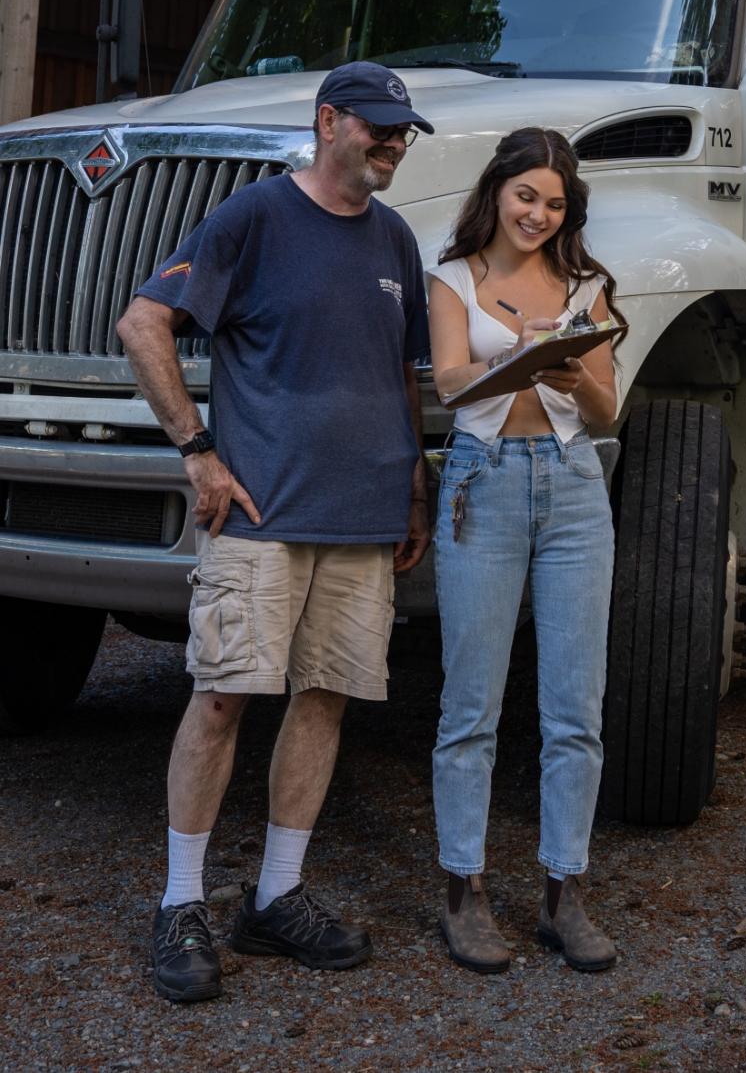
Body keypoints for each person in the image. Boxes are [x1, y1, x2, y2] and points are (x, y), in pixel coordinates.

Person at [117, 63, 434, 1004]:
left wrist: (413, 480)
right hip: (263, 515)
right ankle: (181, 904)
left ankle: (277, 896)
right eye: (377, 126)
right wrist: (198, 450)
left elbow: (399, 373)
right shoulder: (254, 217)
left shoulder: (397, 238)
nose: (392, 142)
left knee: (328, 695)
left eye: (402, 130)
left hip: (365, 516)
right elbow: (144, 323)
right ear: (327, 121)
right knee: (222, 697)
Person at [427, 127, 624, 977]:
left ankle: (563, 890)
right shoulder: (453, 277)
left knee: (574, 707)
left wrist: (570, 369)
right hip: (486, 477)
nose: (539, 213)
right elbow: (444, 383)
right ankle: (464, 891)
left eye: (555, 202)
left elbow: (609, 408)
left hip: (575, 487)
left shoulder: (590, 285)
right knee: (471, 702)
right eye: (526, 195)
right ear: (497, 189)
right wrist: (519, 350)